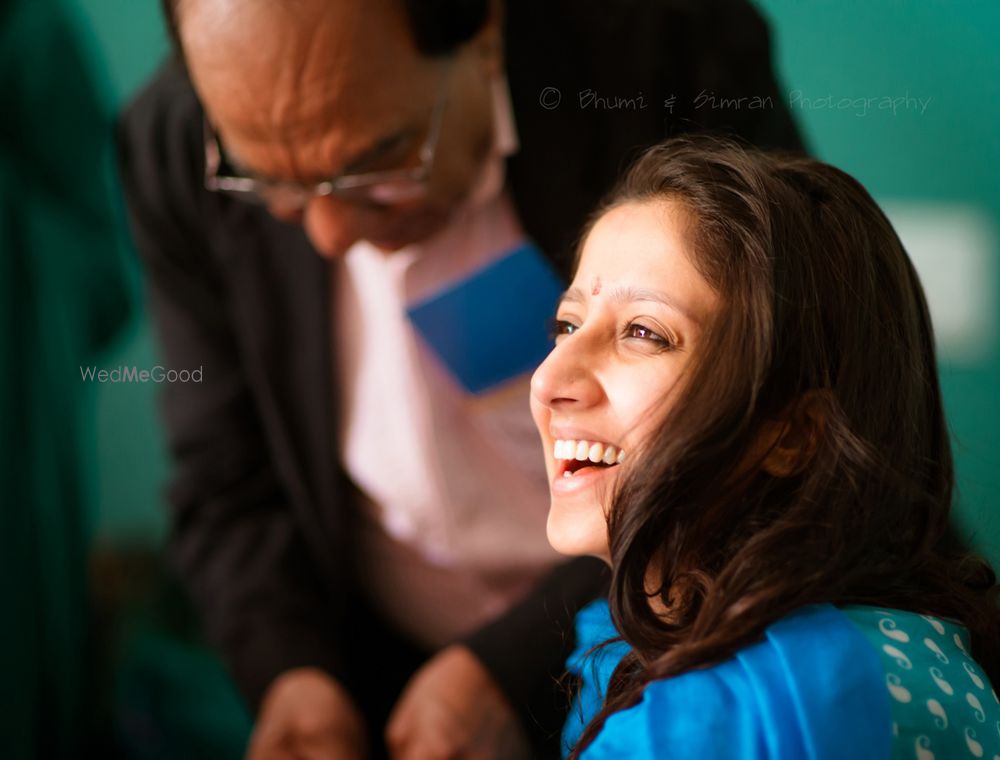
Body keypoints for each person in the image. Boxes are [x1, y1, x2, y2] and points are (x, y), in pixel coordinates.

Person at [116, 0, 804, 756]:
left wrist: (512, 669)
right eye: (270, 182)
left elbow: (769, 415)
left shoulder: (665, 53)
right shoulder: (174, 143)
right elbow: (227, 475)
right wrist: (292, 675)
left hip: (693, 654)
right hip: (387, 678)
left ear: (483, 32)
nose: (331, 234)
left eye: (379, 162)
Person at [528, 135, 1000, 759]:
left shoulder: (726, 725)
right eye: (568, 325)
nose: (549, 379)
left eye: (644, 332)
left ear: (792, 435)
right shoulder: (916, 648)